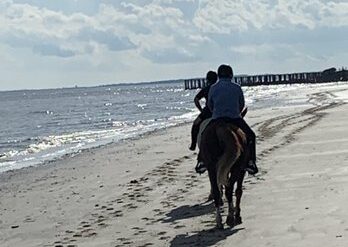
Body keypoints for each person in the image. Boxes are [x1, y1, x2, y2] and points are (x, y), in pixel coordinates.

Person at [208, 64, 258, 175]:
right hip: (234, 119)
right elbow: (241, 104)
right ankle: (251, 162)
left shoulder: (213, 88)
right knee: (251, 136)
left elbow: (210, 105)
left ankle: (201, 160)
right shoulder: (237, 87)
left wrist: (216, 112)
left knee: (204, 135)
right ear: (231, 75)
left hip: (217, 119)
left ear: (219, 75)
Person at [189, 71, 218, 151]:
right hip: (219, 110)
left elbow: (196, 99)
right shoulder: (219, 88)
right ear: (216, 79)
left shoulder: (206, 89)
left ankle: (193, 144)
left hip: (208, 112)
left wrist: (201, 110)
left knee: (195, 124)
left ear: (207, 79)